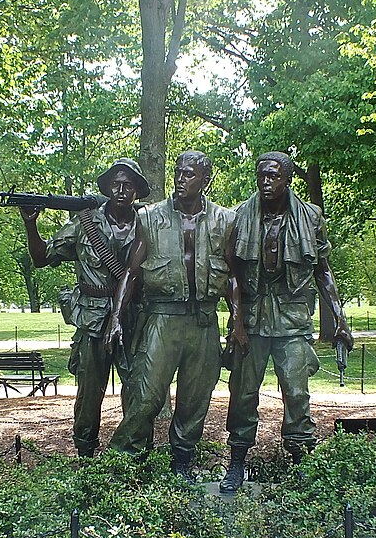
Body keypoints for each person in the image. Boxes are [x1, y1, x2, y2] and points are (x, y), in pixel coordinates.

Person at [103, 151, 247, 477]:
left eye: (189, 174)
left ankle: (182, 465)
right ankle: (121, 465)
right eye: (178, 173)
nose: (180, 179)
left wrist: (237, 322)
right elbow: (132, 271)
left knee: (195, 401)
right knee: (146, 397)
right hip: (162, 319)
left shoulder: (225, 220)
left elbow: (232, 274)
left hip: (204, 321)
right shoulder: (150, 217)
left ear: (205, 180)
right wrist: (115, 318)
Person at [220, 152, 353, 493]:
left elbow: (322, 271)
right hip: (251, 320)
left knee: (296, 391)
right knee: (243, 393)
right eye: (261, 176)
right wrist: (236, 322)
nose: (265, 182)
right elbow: (229, 274)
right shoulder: (238, 217)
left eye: (273, 176)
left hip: (293, 319)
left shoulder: (310, 218)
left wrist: (339, 318)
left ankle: (301, 461)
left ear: (287, 179)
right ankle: (236, 463)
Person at [20, 158, 148, 457]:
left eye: (127, 185)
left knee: (138, 390)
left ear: (136, 191)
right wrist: (30, 223)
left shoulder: (149, 223)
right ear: (105, 188)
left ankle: (135, 454)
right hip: (91, 318)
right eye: (115, 184)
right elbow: (41, 258)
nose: (120, 190)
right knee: (89, 394)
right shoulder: (84, 222)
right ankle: (86, 456)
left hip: (133, 318)